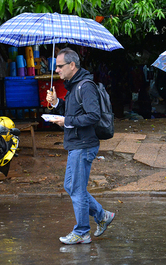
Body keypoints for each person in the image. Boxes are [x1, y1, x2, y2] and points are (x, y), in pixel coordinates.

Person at [46, 47, 115, 244]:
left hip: (84, 145)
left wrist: (66, 121)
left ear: (72, 65)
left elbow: (93, 116)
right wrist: (56, 103)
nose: (57, 70)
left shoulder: (85, 86)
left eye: (60, 66)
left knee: (76, 188)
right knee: (71, 186)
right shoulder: (73, 86)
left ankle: (82, 231)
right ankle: (102, 216)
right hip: (76, 143)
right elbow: (72, 111)